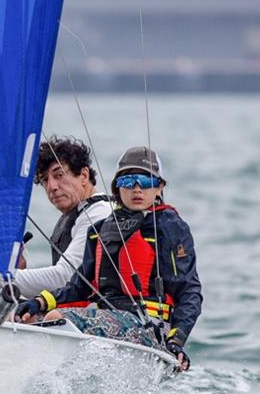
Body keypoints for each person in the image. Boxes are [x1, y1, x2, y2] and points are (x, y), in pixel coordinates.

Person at [16, 146, 202, 372]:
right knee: (27, 319)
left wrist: (176, 341)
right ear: (117, 187)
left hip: (150, 330)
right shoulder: (99, 230)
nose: (135, 189)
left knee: (57, 320)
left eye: (144, 181)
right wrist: (39, 302)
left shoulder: (169, 227)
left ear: (159, 186)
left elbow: (189, 291)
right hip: (109, 320)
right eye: (127, 181)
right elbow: (78, 286)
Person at [0, 136, 112, 315]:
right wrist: (18, 271)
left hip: (95, 313)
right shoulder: (74, 215)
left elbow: (64, 277)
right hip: (65, 306)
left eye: (59, 175)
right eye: (44, 180)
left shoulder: (100, 213)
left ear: (83, 175)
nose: (52, 186)